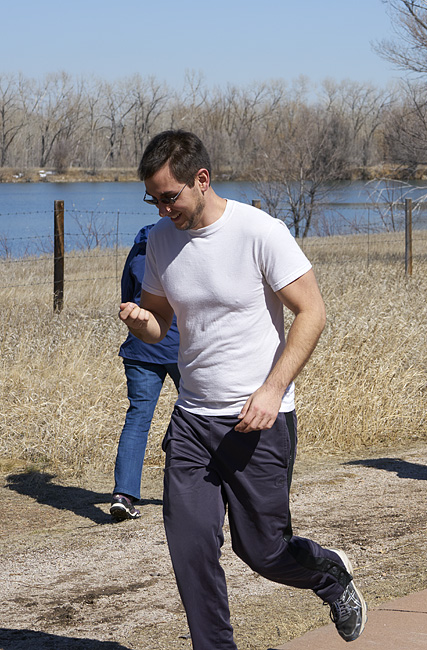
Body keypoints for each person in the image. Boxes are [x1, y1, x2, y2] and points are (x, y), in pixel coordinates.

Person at [118, 130, 366, 648]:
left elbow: (313, 312)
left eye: (170, 197)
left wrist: (273, 390)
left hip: (258, 421)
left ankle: (330, 576)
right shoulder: (160, 239)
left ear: (201, 179)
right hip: (192, 421)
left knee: (263, 551)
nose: (163, 210)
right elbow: (160, 322)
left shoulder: (260, 231)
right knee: (190, 551)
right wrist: (142, 322)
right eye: (153, 200)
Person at [110, 224, 180, 521]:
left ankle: (123, 495)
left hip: (140, 346)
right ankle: (177, 442)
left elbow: (126, 299)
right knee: (198, 411)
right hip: (181, 347)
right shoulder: (184, 245)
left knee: (137, 419)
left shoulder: (138, 247)